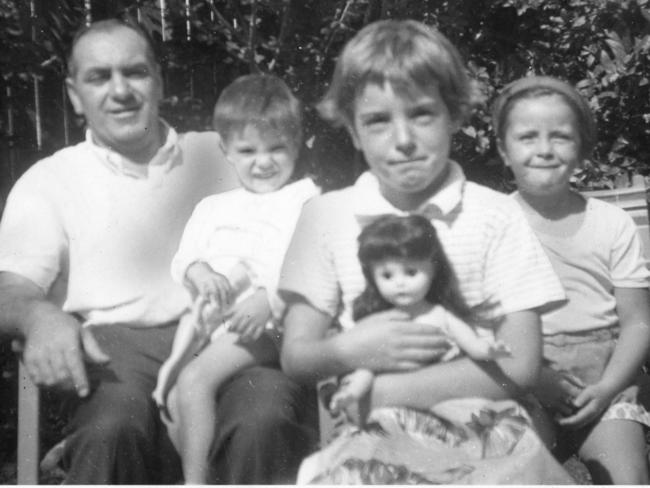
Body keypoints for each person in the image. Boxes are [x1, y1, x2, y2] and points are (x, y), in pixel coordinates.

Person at [0, 19, 316, 484]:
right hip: (118, 350)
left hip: (235, 334)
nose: (120, 90)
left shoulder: (231, 152)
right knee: (113, 426)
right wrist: (38, 316)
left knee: (263, 419)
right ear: (73, 94)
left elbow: (315, 228)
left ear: (159, 81)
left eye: (135, 72)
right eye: (99, 77)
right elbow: (10, 288)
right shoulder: (49, 182)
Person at [278, 19, 574, 484]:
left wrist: (386, 390)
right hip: (372, 435)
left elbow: (520, 363)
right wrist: (346, 348)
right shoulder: (324, 216)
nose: (403, 140)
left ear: (454, 114)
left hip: (483, 427)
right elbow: (297, 356)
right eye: (377, 120)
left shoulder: (493, 214)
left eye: (421, 114)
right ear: (353, 131)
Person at [152, 73, 320, 484]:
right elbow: (185, 258)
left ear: (297, 144)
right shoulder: (214, 207)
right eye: (247, 150)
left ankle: (195, 482)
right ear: (226, 150)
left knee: (194, 380)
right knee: (174, 397)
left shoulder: (303, 199)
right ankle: (208, 469)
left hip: (274, 327)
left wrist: (269, 298)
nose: (263, 162)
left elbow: (311, 263)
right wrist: (201, 271)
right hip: (216, 326)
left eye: (277, 148)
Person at [494, 75, 650, 484]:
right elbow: (481, 318)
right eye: (527, 137)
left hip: (603, 377)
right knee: (508, 472)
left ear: (581, 150)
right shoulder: (493, 224)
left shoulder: (612, 223)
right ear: (503, 150)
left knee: (627, 478)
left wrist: (609, 387)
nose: (544, 150)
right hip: (523, 376)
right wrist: (533, 377)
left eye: (561, 137)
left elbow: (638, 321)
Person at [330, 214, 510, 415]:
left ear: (433, 270)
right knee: (367, 376)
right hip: (397, 402)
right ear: (373, 279)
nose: (400, 283)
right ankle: (351, 395)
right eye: (387, 275)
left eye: (411, 272)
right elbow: (366, 366)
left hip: (444, 395)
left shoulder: (440, 315)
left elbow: (472, 344)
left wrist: (489, 351)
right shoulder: (381, 323)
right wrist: (352, 391)